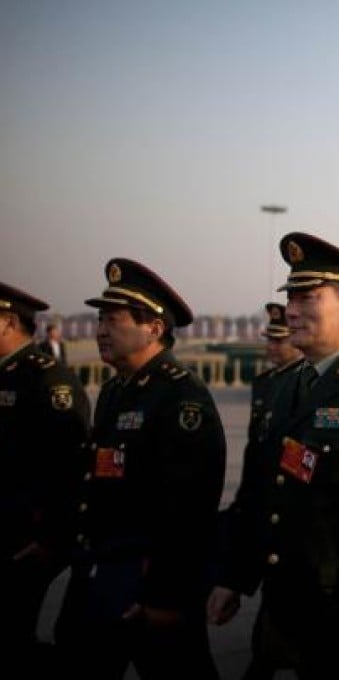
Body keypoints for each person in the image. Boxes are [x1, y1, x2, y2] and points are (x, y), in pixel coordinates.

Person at [207, 233, 339, 679]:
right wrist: (234, 576)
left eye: (308, 298)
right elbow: (259, 493)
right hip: (280, 606)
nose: (292, 311)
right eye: (291, 298)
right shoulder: (284, 385)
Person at [55, 258, 226, 679]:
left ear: (153, 327)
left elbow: (188, 507)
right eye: (99, 320)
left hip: (148, 584)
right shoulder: (115, 390)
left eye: (112, 320)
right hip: (101, 570)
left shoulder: (181, 397)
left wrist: (165, 597)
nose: (100, 330)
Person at [0, 282, 90, 673]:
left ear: (7, 322)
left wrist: (51, 537)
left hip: (27, 536)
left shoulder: (48, 380)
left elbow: (68, 466)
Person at [212, 302, 303, 680]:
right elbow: (255, 471)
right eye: (270, 337)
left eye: (279, 339)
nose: (271, 345)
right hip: (266, 527)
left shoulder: (306, 384)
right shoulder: (267, 384)